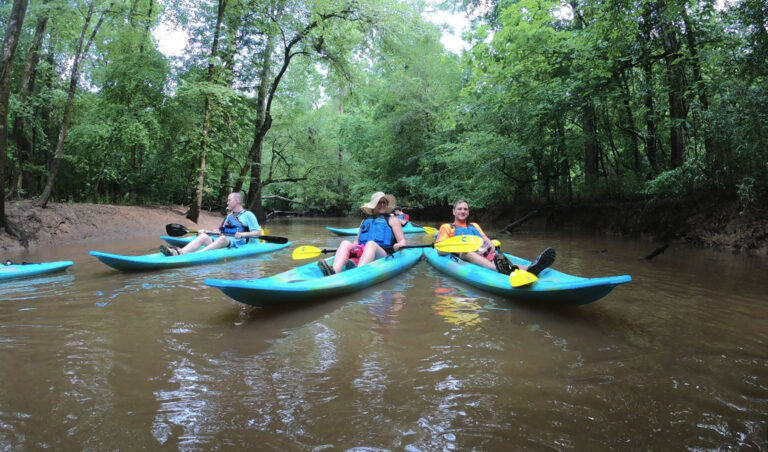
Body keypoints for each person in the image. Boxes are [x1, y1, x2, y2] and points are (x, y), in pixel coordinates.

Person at [435, 200, 555, 276]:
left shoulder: (474, 226)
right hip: (463, 255)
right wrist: (457, 248)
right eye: (459, 209)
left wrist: (492, 247)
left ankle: (531, 268)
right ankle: (497, 269)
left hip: (483, 252)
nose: (463, 211)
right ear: (454, 211)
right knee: (467, 252)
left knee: (497, 256)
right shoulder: (447, 227)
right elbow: (440, 250)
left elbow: (485, 239)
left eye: (465, 209)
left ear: (468, 212)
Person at [318, 192, 407, 276]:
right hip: (363, 251)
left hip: (384, 255)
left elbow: (402, 241)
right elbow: (356, 241)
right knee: (345, 243)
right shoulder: (365, 221)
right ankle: (334, 271)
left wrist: (399, 245)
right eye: (379, 202)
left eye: (384, 202)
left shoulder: (393, 220)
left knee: (371, 244)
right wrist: (348, 250)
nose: (382, 205)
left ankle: (358, 272)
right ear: (373, 206)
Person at [160, 192, 262, 256]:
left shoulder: (248, 215)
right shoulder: (229, 217)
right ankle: (180, 252)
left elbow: (258, 233)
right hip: (224, 242)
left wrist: (244, 234)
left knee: (222, 239)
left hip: (237, 244)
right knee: (204, 236)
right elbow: (220, 231)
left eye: (229, 200)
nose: (227, 202)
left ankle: (194, 256)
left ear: (238, 201)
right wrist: (207, 231)